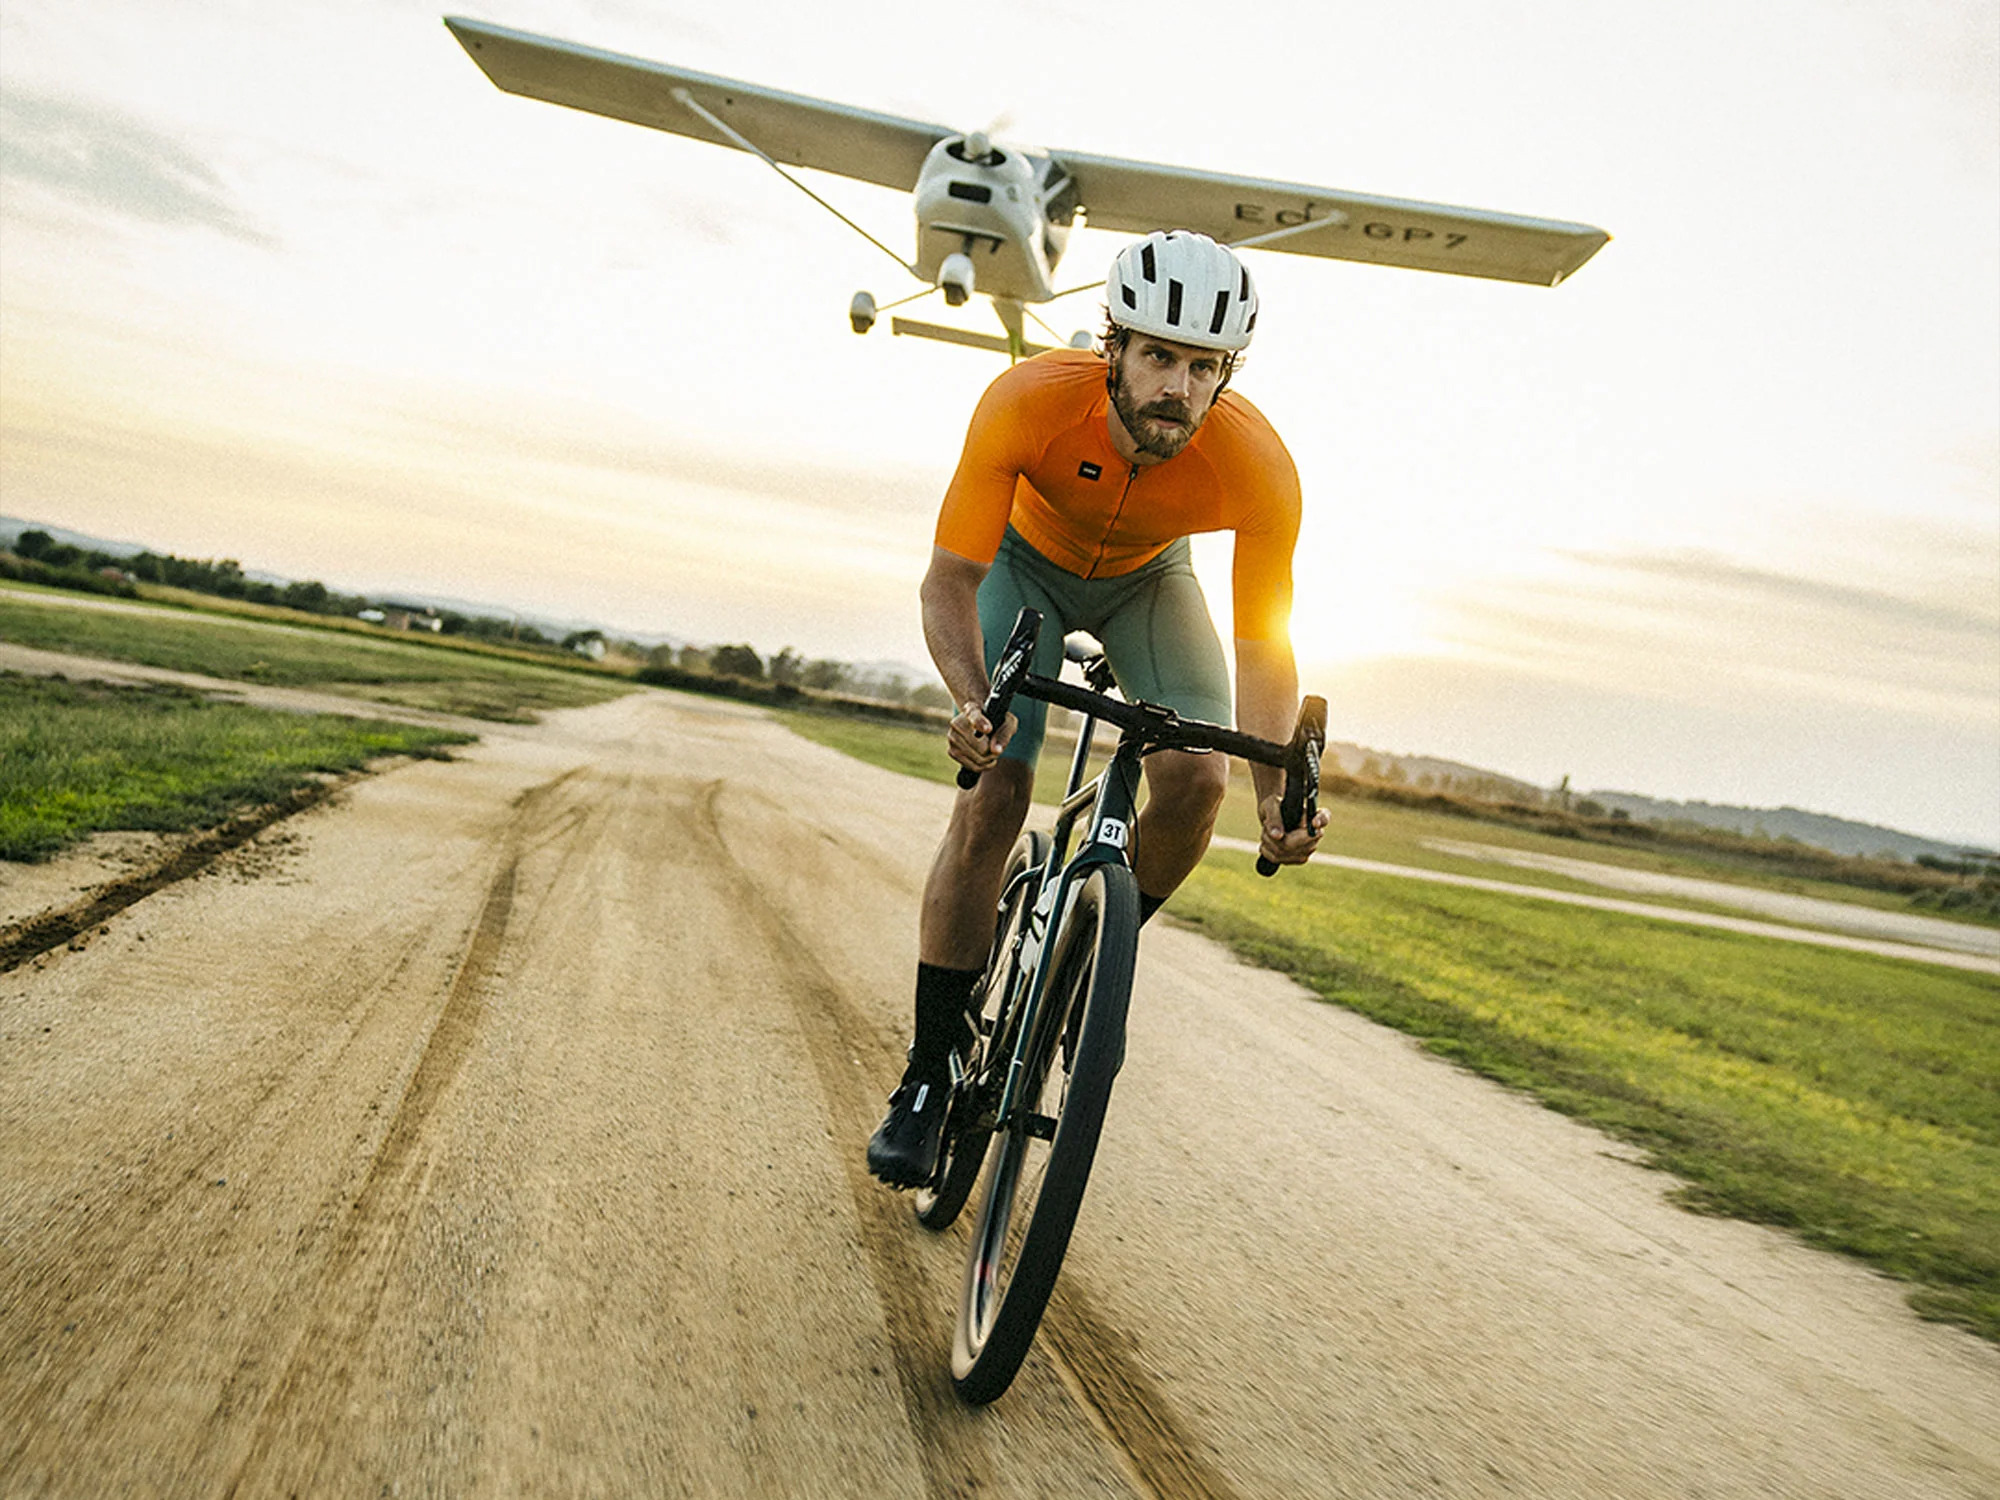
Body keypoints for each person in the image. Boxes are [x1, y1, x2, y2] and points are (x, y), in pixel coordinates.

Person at [867, 229, 1327, 1188]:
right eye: (1159, 355)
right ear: (1111, 346)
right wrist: (969, 701)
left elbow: (1262, 645)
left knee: (1197, 780)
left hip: (1149, 587)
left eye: (1204, 367)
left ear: (1225, 374)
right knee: (997, 790)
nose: (1178, 387)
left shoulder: (1260, 466)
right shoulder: (1027, 401)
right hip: (1020, 572)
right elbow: (950, 579)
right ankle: (926, 1071)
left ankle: (1083, 965)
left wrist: (1276, 792)